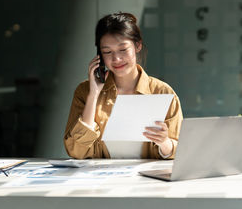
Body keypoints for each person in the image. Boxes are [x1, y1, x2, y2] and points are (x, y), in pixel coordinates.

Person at [63, 12, 182, 159]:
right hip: (101, 178)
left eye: (123, 49)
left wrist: (164, 142)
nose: (116, 59)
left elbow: (180, 152)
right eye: (107, 51)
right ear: (99, 54)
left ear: (137, 45)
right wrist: (93, 95)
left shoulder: (162, 92)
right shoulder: (85, 91)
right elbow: (77, 152)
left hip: (147, 180)